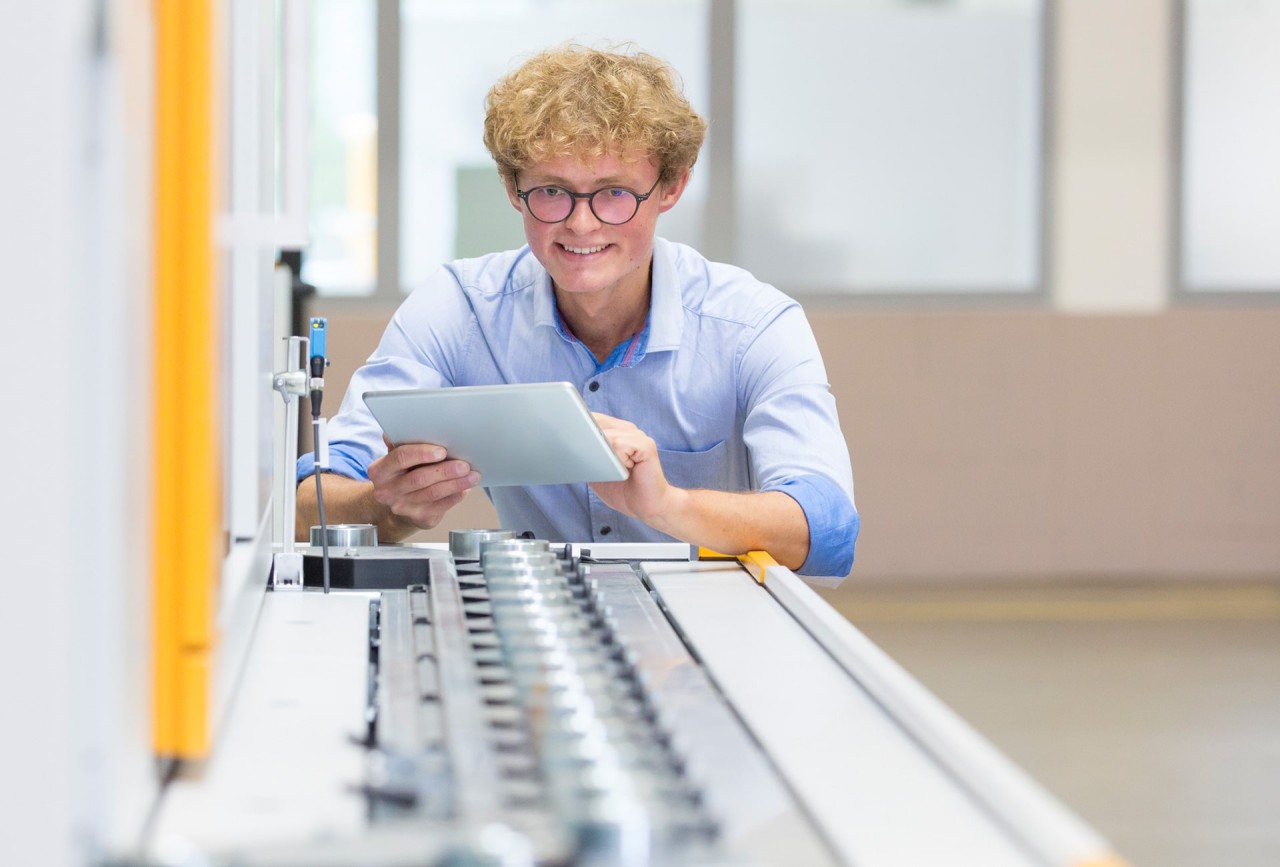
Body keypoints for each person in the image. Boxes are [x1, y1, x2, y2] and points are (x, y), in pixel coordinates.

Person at [296, 43, 858, 577]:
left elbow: (828, 529)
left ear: (672, 187)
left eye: (614, 192)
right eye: (551, 191)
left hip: (715, 629)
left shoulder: (752, 325)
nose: (580, 224)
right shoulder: (461, 310)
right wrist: (389, 507)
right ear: (514, 189)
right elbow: (308, 505)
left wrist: (668, 504)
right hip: (541, 625)